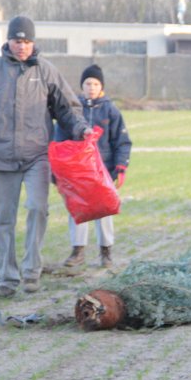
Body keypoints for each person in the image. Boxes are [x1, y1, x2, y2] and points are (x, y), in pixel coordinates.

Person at [0, 16, 93, 298]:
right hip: (0, 157)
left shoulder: (46, 71)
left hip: (37, 156)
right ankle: (7, 279)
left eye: (26, 41)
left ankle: (32, 272)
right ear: (8, 41)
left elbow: (68, 109)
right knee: (3, 219)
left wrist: (80, 129)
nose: (21, 46)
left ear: (33, 43)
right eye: (16, 40)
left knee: (37, 208)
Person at [55, 64, 132, 269]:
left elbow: (122, 142)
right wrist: (59, 170)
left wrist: (121, 167)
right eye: (87, 83)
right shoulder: (71, 110)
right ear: (82, 86)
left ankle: (106, 251)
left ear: (102, 86)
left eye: (95, 83)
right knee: (77, 209)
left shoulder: (110, 110)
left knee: (104, 210)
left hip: (103, 170)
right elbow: (60, 140)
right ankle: (77, 250)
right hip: (77, 171)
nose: (91, 87)